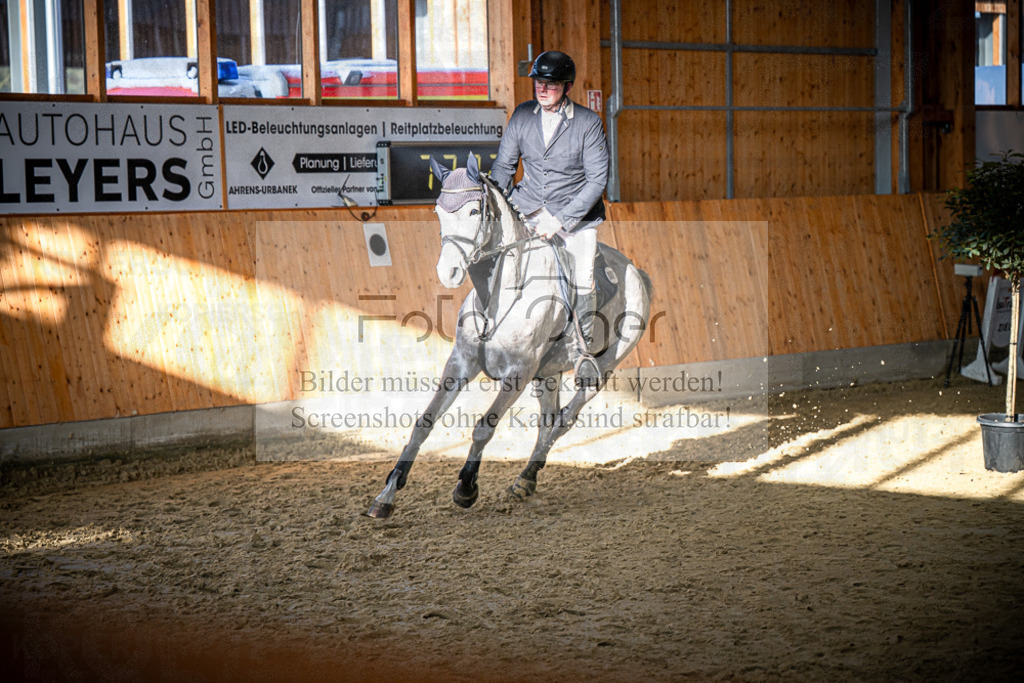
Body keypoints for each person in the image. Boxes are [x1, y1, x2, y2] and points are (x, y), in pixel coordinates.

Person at [488, 50, 609, 387]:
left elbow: (597, 180)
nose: (542, 89)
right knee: (496, 257)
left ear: (566, 87)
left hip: (574, 215)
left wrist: (560, 220)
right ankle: (489, 329)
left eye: (551, 84)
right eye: (539, 82)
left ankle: (583, 354)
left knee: (582, 274)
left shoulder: (588, 123)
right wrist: (497, 201)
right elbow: (504, 166)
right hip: (527, 206)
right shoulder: (522, 115)